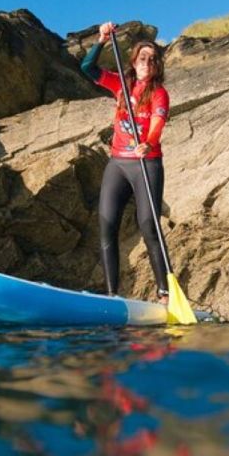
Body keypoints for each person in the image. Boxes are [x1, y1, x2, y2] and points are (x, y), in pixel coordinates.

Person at [81, 22, 170, 303]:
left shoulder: (159, 93)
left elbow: (157, 122)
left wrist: (149, 142)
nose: (147, 62)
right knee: (107, 224)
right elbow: (87, 68)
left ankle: (165, 293)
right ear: (133, 61)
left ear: (158, 65)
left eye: (153, 59)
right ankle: (111, 295)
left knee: (148, 225)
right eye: (143, 57)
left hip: (147, 163)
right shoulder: (120, 82)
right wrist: (102, 39)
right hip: (118, 163)